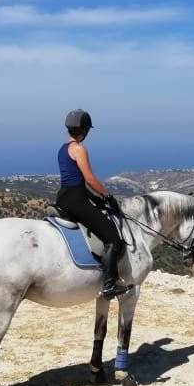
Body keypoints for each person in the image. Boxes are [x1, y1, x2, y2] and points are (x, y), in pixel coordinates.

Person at [56, 109, 130, 299]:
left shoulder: (63, 149)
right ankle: (108, 286)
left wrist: (98, 199)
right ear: (84, 130)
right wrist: (107, 196)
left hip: (64, 197)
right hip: (76, 200)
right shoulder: (79, 149)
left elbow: (76, 180)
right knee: (113, 237)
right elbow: (89, 179)